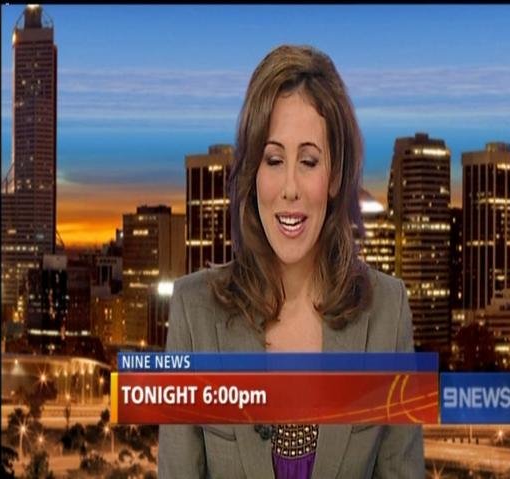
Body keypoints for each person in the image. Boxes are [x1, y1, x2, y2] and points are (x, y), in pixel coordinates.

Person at [158, 44, 424, 478]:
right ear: (253, 172)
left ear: (335, 177)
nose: (290, 188)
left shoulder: (387, 312)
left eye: (309, 161)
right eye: (274, 160)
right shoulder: (194, 311)